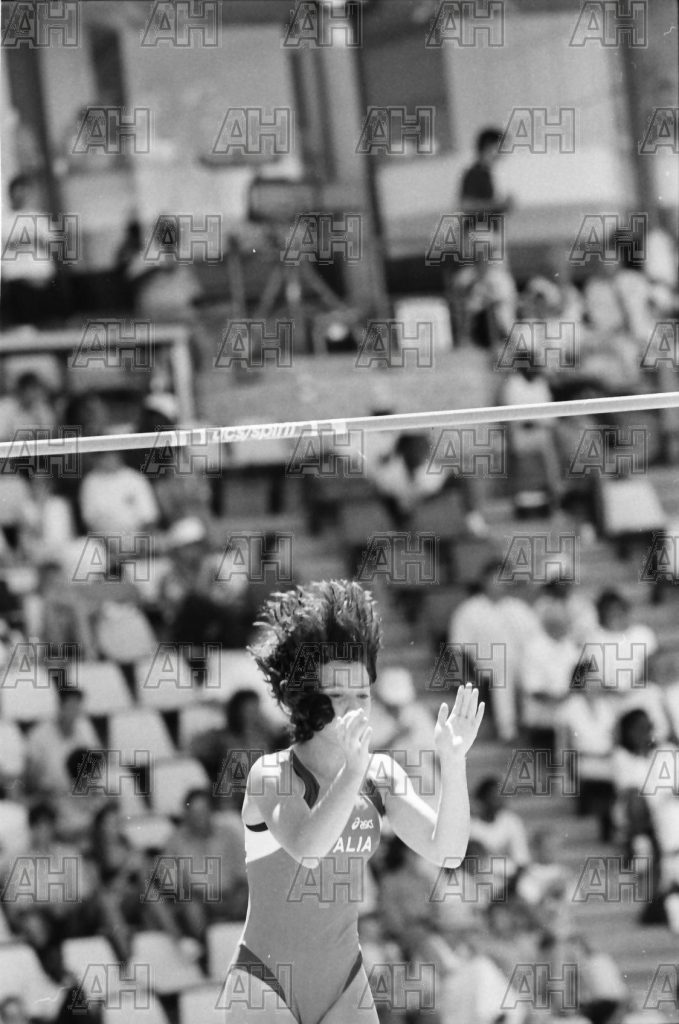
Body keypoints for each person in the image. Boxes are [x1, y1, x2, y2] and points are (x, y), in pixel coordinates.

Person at [222, 579, 484, 1023]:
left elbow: (449, 850)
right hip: (265, 981)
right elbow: (308, 849)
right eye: (338, 696)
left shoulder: (380, 775)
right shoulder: (271, 774)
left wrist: (453, 761)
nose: (354, 707)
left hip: (344, 979)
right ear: (307, 702)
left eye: (362, 694)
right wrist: (353, 771)